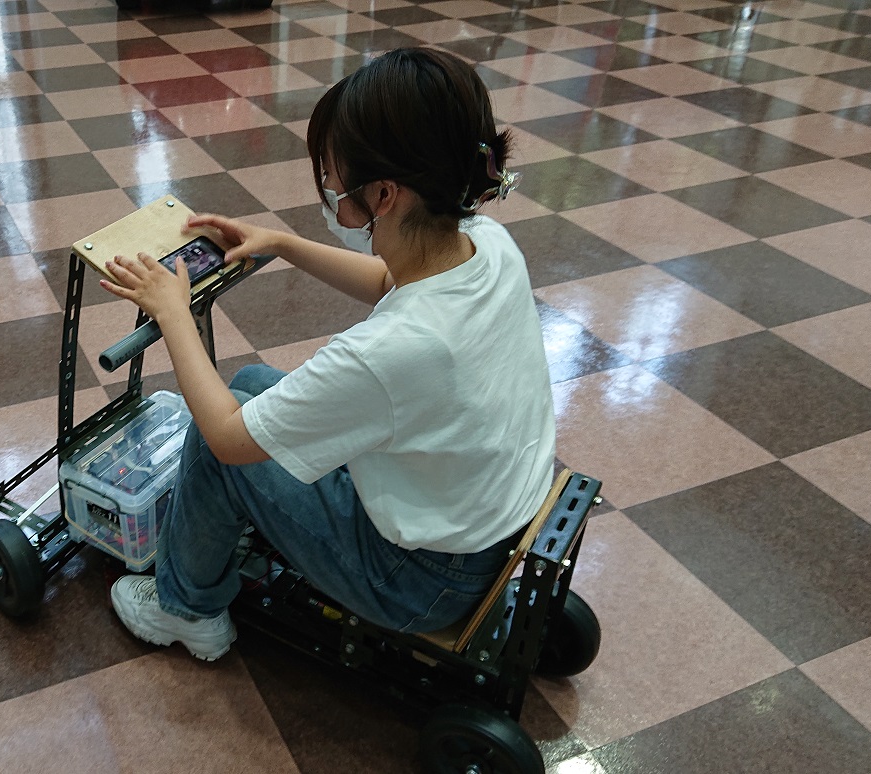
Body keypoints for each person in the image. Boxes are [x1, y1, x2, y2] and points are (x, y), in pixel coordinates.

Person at [96, 47, 555, 662]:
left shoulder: (394, 350)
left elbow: (228, 439)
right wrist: (283, 244)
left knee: (212, 432)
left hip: (418, 579)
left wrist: (173, 312)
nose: (331, 194)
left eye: (335, 181)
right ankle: (225, 543)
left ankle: (186, 609)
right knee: (253, 382)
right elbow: (389, 281)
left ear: (385, 194)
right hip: (483, 519)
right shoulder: (484, 242)